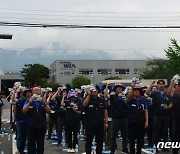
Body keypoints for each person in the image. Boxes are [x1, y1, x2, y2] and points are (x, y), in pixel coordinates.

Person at [146, 80, 172, 152]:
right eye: (160, 84)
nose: (161, 86)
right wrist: (151, 84)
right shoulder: (154, 93)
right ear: (157, 85)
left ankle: (164, 147)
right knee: (156, 131)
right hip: (157, 114)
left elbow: (171, 101)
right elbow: (147, 93)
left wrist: (169, 106)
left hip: (166, 114)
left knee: (165, 132)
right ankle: (155, 147)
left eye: (162, 84)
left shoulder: (166, 93)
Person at [23, 86, 51, 154]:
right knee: (31, 143)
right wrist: (29, 103)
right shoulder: (29, 100)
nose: (36, 92)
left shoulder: (43, 100)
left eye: (38, 90)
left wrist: (44, 104)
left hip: (41, 126)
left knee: (40, 143)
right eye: (35, 90)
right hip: (31, 126)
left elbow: (49, 111)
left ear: (40, 92)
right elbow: (24, 111)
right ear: (32, 92)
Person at [83, 85, 108, 154]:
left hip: (99, 123)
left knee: (99, 141)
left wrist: (106, 121)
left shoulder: (101, 100)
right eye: (93, 90)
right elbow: (84, 105)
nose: (95, 92)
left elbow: (105, 110)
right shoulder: (87, 99)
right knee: (89, 141)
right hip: (89, 123)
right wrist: (88, 95)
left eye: (96, 90)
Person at [104, 83, 129, 154]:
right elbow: (106, 95)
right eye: (118, 88)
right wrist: (106, 87)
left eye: (120, 88)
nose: (119, 89)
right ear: (115, 89)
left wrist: (125, 99)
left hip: (124, 117)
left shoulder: (125, 96)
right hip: (115, 118)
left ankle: (125, 148)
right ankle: (113, 148)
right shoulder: (113, 96)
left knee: (125, 134)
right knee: (113, 134)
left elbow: (128, 101)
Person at [127, 83, 148, 154]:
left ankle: (139, 152)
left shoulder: (143, 99)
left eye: (138, 90)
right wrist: (132, 87)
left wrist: (146, 121)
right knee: (132, 140)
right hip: (132, 122)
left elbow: (146, 110)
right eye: (135, 90)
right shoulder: (131, 99)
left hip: (141, 122)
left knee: (140, 140)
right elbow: (128, 99)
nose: (136, 92)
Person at [167, 78, 180, 154]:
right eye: (177, 86)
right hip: (176, 119)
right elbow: (168, 93)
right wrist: (172, 83)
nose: (178, 87)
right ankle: (175, 151)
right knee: (176, 137)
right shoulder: (175, 96)